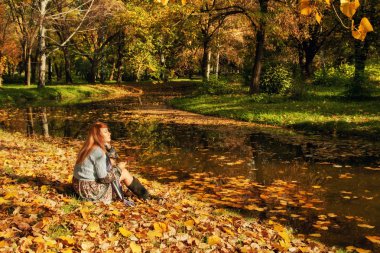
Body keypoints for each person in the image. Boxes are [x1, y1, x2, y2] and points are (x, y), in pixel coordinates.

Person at [72, 121, 150, 204]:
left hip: (79, 187)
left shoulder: (88, 147)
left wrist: (109, 148)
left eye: (108, 131)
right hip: (91, 192)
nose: (109, 133)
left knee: (117, 171)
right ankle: (146, 196)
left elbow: (112, 160)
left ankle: (144, 194)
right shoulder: (98, 152)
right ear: (98, 135)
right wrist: (119, 168)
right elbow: (104, 178)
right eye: (105, 132)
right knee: (123, 173)